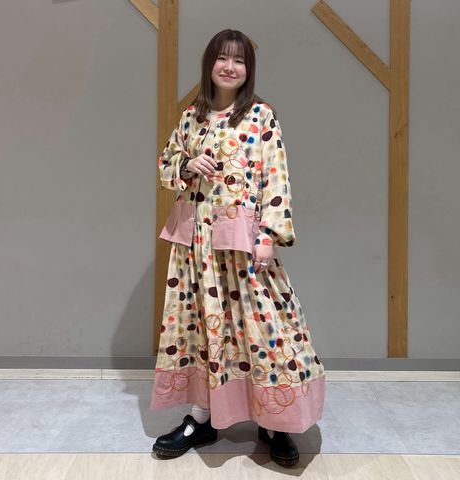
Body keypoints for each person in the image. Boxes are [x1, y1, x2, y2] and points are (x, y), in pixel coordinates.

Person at [150, 29, 325, 468]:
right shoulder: (191, 117)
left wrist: (268, 237)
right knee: (201, 329)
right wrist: (186, 164)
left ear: (249, 69)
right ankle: (202, 416)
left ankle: (275, 422)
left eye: (240, 60)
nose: (230, 67)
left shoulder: (261, 115)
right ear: (209, 64)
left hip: (244, 245)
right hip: (196, 246)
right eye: (223, 58)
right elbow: (166, 165)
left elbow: (276, 177)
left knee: (264, 330)